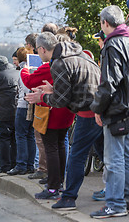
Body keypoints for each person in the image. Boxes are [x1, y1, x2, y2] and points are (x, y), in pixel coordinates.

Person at [25, 32, 102, 210]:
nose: (38, 53)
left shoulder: (59, 62)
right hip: (100, 109)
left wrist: (42, 97)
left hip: (87, 113)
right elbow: (75, 85)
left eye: (37, 50)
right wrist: (53, 89)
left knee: (76, 156)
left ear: (43, 49)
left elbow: (60, 101)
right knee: (108, 156)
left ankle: (68, 198)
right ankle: (121, 194)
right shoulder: (80, 55)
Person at [20, 39, 75, 199]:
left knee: (51, 147)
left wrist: (24, 70)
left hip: (53, 110)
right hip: (68, 110)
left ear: (43, 49)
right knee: (60, 146)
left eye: (37, 50)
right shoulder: (68, 62)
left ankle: (52, 187)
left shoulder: (50, 65)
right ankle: (60, 182)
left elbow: (29, 81)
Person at [90, 5, 129, 219]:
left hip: (116, 110)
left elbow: (109, 83)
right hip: (128, 109)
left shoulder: (112, 45)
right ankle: (124, 199)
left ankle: (115, 204)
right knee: (125, 157)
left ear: (105, 23)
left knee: (114, 160)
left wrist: (97, 108)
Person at [7, 47, 36, 176]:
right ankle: (30, 164)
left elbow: (25, 88)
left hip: (23, 105)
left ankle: (21, 164)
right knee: (30, 135)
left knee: (21, 135)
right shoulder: (34, 68)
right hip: (34, 106)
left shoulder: (23, 71)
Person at [0, 56, 19, 173]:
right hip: (17, 110)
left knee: (4, 139)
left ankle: (4, 166)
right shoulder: (16, 72)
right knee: (15, 139)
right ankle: (15, 164)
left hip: (4, 111)